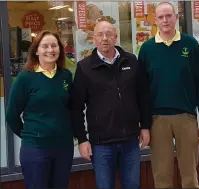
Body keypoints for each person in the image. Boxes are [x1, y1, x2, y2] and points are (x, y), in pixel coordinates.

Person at [138, 2, 199, 189]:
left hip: (186, 117)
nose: (165, 20)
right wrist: (144, 125)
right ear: (155, 20)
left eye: (168, 16)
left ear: (176, 17)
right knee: (162, 178)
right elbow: (142, 91)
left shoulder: (190, 44)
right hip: (157, 120)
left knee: (190, 178)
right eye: (161, 17)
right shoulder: (147, 49)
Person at [70, 21, 150, 189]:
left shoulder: (131, 61)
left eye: (109, 34)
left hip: (130, 140)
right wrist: (82, 139)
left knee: (132, 185)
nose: (105, 38)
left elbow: (143, 96)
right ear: (94, 39)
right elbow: (76, 107)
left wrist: (145, 127)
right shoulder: (84, 68)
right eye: (100, 34)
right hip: (101, 144)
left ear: (116, 37)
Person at [6, 30, 74, 189]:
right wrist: (29, 134)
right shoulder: (25, 78)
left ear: (59, 49)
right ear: (36, 51)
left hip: (63, 147)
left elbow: (71, 108)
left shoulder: (65, 76)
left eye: (54, 45)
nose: (50, 50)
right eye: (45, 46)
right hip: (36, 149)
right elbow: (12, 115)